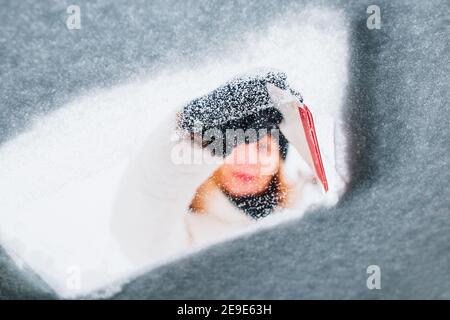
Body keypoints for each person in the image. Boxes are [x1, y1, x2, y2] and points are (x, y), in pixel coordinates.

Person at [111, 70, 344, 266]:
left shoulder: (311, 206)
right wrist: (194, 140)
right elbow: (144, 232)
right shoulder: (190, 233)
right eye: (237, 145)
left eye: (263, 147)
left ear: (278, 162)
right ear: (215, 153)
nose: (249, 159)